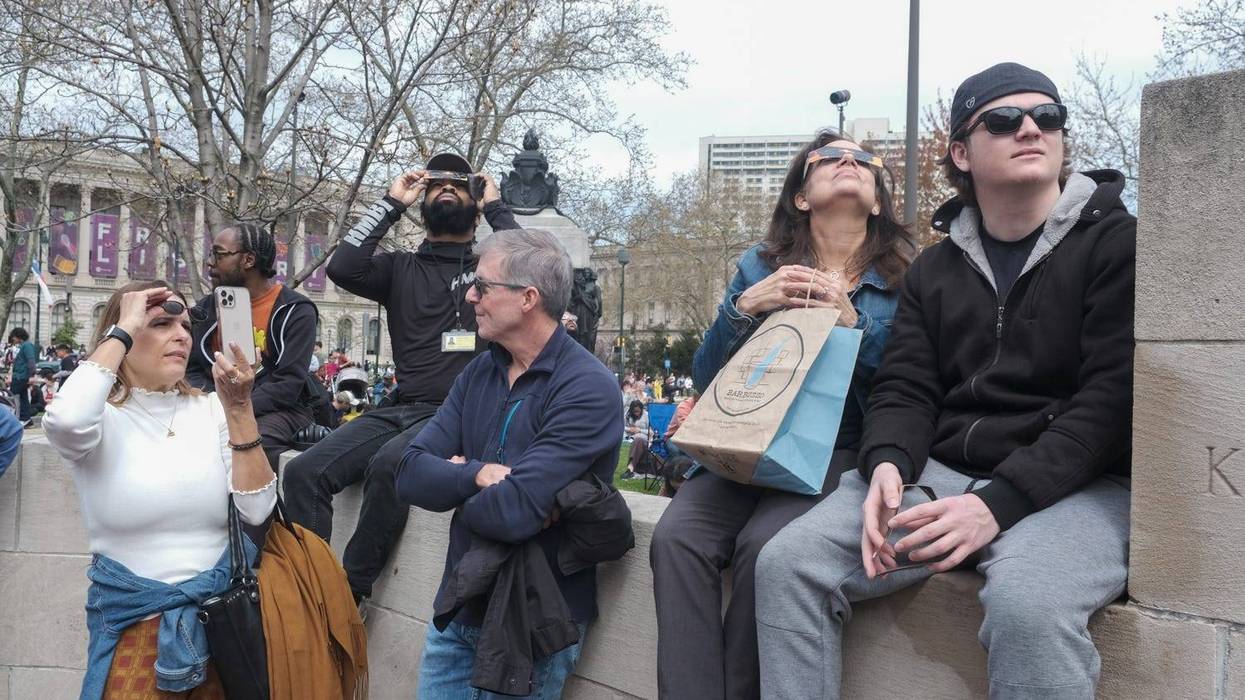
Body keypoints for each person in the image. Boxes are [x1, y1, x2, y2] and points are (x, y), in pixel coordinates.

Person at [755, 63, 1137, 699]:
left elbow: (1110, 402)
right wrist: (886, 465)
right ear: (961, 151)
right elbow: (906, 387)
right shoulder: (934, 267)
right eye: (1003, 119)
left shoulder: (1116, 244)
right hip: (943, 472)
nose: (1030, 129)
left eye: (1047, 117)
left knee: (1028, 605)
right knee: (788, 565)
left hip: (1082, 484)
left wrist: (999, 505)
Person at [649, 128, 913, 700]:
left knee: (764, 550)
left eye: (863, 161)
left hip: (837, 451)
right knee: (677, 538)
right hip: (744, 441)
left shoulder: (904, 279)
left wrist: (854, 324)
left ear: (877, 197)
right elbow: (708, 377)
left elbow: (909, 383)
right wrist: (744, 308)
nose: (851, 162)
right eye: (831, 157)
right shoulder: (759, 265)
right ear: (800, 195)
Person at [282, 152, 519, 606]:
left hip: (459, 413)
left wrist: (497, 208)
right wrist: (391, 202)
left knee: (391, 466)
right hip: (400, 405)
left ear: (474, 204)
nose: (446, 187)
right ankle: (311, 595)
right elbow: (343, 266)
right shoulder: (399, 269)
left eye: (458, 183)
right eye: (435, 183)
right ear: (422, 201)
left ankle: (351, 598)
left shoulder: (489, 271)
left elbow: (535, 267)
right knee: (303, 471)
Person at [395, 228, 622, 699]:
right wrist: (475, 474)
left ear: (528, 298)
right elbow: (408, 472)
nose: (471, 296)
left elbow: (514, 511)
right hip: (460, 607)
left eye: (482, 285)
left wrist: (458, 486)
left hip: (533, 622)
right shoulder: (479, 372)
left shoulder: (587, 386)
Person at [42, 281, 277, 698]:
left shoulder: (212, 408)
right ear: (124, 335)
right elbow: (66, 421)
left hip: (221, 628)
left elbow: (258, 510)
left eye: (185, 325)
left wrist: (240, 410)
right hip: (133, 627)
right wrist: (126, 323)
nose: (182, 335)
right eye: (161, 323)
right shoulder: (101, 419)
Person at [185, 222, 320, 470]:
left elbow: (288, 383)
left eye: (219, 254)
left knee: (250, 444)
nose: (210, 262)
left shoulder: (295, 310)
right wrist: (215, 405)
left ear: (248, 260)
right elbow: (193, 370)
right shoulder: (205, 309)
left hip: (279, 410)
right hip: (215, 405)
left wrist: (237, 407)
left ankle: (258, 509)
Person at [7, 328, 38, 425]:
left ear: (18, 336)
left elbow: (31, 361)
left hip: (21, 376)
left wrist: (32, 375)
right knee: (23, 397)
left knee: (13, 397)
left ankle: (16, 417)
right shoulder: (25, 346)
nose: (13, 340)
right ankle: (26, 418)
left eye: (14, 337)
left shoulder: (27, 346)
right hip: (22, 376)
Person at [620, 399, 652, 480]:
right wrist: (629, 429)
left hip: (644, 436)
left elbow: (651, 431)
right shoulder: (628, 415)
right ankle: (630, 468)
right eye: (634, 412)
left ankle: (630, 468)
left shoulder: (647, 415)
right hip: (630, 435)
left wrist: (639, 430)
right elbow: (622, 426)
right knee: (635, 438)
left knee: (638, 438)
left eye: (638, 411)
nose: (636, 413)